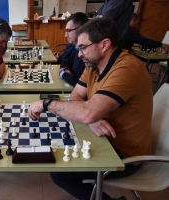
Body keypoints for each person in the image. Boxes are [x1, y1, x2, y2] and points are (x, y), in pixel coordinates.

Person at [28, 18, 153, 200]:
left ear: (105, 44)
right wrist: (92, 119)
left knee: (60, 173)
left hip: (124, 155)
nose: (79, 54)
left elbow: (86, 112)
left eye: (83, 47)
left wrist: (47, 104)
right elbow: (76, 96)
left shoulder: (127, 68)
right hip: (102, 138)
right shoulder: (93, 65)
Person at [59, 12, 88, 86]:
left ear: (80, 30)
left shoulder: (88, 53)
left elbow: (77, 81)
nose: (66, 35)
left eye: (68, 31)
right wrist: (65, 69)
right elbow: (65, 62)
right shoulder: (77, 49)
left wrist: (61, 73)